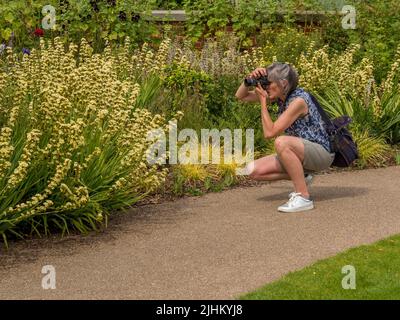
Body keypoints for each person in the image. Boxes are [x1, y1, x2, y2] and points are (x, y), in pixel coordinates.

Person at [235, 62, 335, 212]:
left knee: (281, 142)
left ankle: (303, 197)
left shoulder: (298, 101)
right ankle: (303, 176)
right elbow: (240, 96)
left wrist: (263, 102)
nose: (265, 87)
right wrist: (248, 79)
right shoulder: (281, 97)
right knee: (251, 170)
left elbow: (270, 133)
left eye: (268, 83)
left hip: (321, 152)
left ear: (283, 84)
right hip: (302, 152)